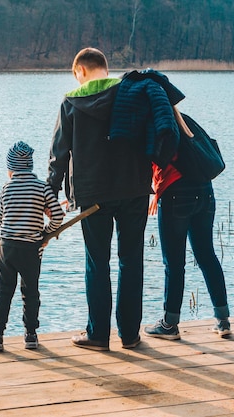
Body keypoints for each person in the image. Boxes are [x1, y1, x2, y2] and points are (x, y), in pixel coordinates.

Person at [47, 48, 155, 350]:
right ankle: (130, 334)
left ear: (80, 72)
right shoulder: (133, 94)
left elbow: (59, 154)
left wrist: (49, 196)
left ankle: (98, 335)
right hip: (134, 188)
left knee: (97, 264)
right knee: (131, 261)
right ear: (105, 69)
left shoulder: (71, 103)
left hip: (94, 194)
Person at [143, 108, 231, 340]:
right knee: (207, 255)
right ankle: (223, 320)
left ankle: (169, 324)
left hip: (176, 195)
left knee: (174, 263)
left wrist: (155, 191)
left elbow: (155, 162)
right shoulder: (186, 119)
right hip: (205, 193)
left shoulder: (157, 123)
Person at [0, 141, 64, 352]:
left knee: (3, 292)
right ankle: (30, 335)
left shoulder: (6, 188)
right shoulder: (42, 188)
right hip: (31, 248)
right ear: (30, 166)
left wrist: (0, 239)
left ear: (10, 168)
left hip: (7, 248)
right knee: (30, 292)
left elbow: (1, 219)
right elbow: (58, 215)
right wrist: (46, 233)